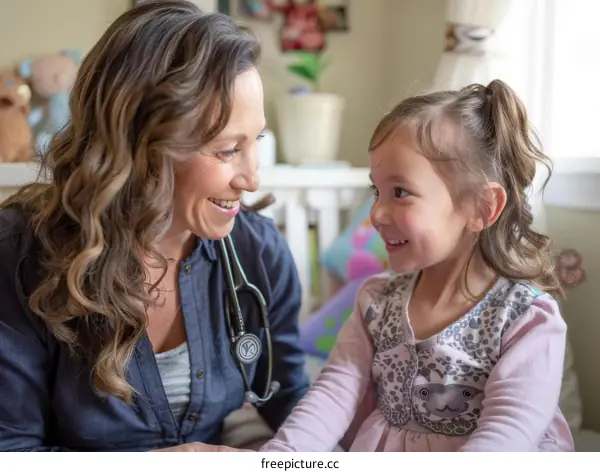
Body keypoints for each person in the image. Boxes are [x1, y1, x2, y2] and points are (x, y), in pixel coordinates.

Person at [0, 0, 309, 452]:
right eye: (226, 150)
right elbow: (12, 451)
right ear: (139, 148)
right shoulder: (19, 255)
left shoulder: (257, 253)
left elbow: (287, 396)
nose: (251, 179)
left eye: (255, 141)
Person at [259, 80, 575, 452]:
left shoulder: (527, 318)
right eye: (376, 191)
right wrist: (281, 457)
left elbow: (508, 432)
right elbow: (333, 394)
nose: (376, 214)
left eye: (400, 193)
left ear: (482, 208)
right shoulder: (376, 301)